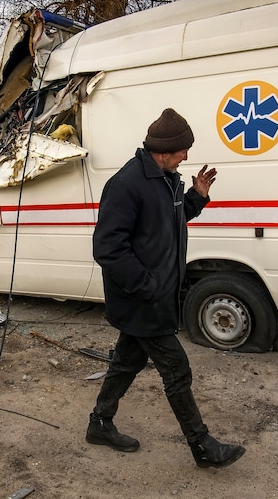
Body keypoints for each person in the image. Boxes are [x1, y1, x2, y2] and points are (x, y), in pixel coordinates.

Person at [86, 108, 246, 469]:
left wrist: (196, 197)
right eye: (183, 150)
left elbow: (165, 224)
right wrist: (147, 286)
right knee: (176, 368)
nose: (187, 156)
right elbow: (108, 248)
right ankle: (202, 445)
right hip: (143, 299)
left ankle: (99, 423)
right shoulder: (127, 184)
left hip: (155, 296)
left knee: (127, 362)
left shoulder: (165, 179)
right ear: (164, 149)